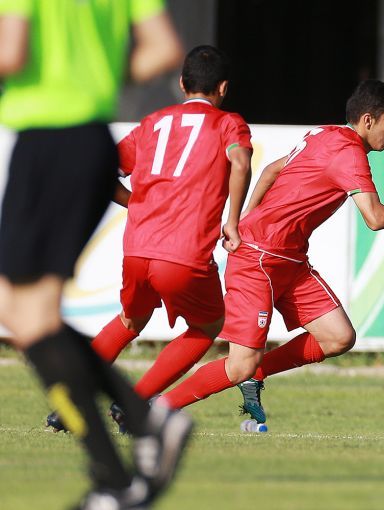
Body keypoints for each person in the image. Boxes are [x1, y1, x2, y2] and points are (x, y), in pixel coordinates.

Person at [157, 80, 384, 417]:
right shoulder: (349, 153)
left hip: (289, 260)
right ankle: (155, 408)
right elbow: (375, 218)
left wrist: (248, 217)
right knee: (238, 366)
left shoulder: (324, 133)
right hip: (258, 261)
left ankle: (256, 372)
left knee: (338, 337)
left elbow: (270, 170)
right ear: (368, 120)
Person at [0, 1, 191, 508]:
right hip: (89, 142)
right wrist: (92, 79)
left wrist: (59, 84)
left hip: (47, 142)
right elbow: (163, 49)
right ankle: (127, 456)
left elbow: (10, 53)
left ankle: (123, 459)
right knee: (23, 314)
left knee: (28, 316)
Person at [45, 45, 253, 433]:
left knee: (131, 318)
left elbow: (100, 171)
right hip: (185, 253)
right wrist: (233, 222)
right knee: (207, 327)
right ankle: (132, 403)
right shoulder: (228, 123)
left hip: (137, 249)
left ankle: (71, 400)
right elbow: (240, 161)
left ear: (182, 84)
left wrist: (136, 204)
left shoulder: (153, 122)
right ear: (223, 88)